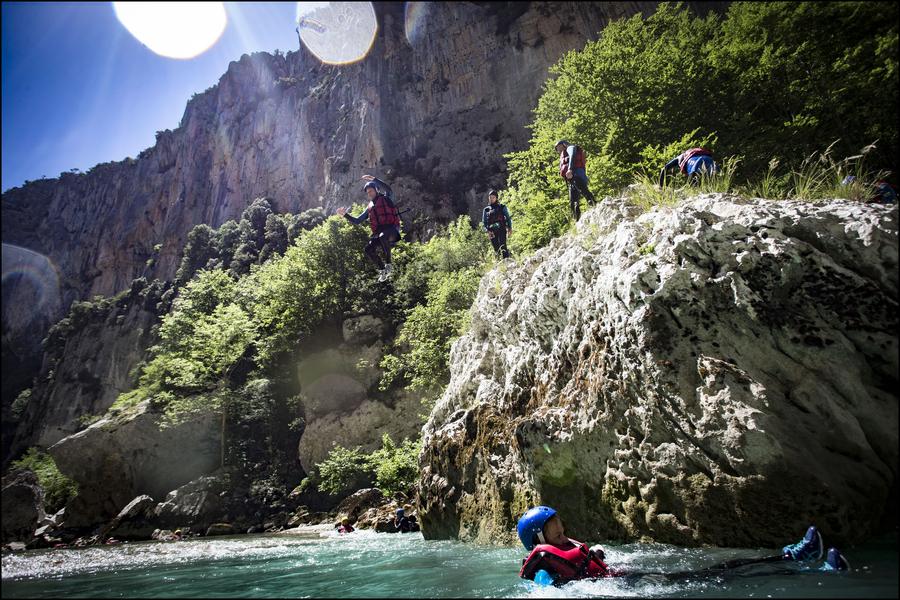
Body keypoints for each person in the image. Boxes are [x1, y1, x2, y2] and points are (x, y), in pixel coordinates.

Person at [517, 505, 850, 587]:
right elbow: (547, 590)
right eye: (555, 532)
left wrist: (599, 556)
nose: (563, 534)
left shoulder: (566, 549)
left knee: (725, 568)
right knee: (721, 576)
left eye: (561, 527)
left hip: (629, 579)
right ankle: (815, 571)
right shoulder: (544, 570)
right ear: (540, 541)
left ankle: (794, 555)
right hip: (631, 587)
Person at [337, 175, 402, 282]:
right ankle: (382, 270)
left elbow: (388, 189)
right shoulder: (370, 207)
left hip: (392, 229)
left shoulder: (387, 198)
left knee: (383, 236)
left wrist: (374, 179)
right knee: (368, 249)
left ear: (376, 190)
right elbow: (357, 220)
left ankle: (388, 264)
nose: (369, 194)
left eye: (371, 191)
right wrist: (345, 215)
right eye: (368, 192)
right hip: (380, 234)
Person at [555, 140, 597, 221]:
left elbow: (572, 155)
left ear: (564, 144)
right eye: (557, 148)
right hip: (571, 179)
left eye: (559, 146)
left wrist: (570, 169)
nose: (558, 149)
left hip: (576, 173)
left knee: (583, 190)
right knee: (573, 201)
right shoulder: (563, 155)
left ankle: (594, 204)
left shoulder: (570, 148)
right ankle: (576, 219)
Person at [482, 190, 512, 259]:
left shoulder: (502, 207)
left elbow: (508, 218)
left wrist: (510, 228)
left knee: (503, 245)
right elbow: (484, 223)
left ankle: (507, 261)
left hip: (501, 228)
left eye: (493, 197)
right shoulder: (486, 210)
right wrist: (487, 231)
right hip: (492, 231)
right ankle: (498, 262)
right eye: (490, 197)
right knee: (496, 248)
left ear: (496, 198)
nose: (491, 199)